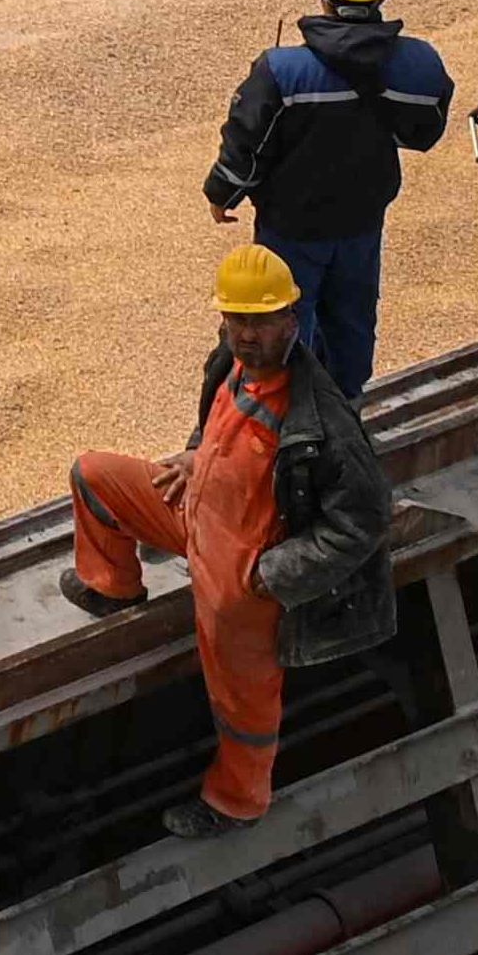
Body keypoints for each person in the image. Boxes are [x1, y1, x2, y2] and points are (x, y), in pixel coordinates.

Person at [60, 243, 395, 837]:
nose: (246, 333)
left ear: (290, 319)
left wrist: (273, 576)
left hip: (242, 575)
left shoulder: (322, 419)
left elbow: (363, 522)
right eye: (236, 318)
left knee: (242, 701)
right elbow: (214, 422)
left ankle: (239, 801)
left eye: (260, 320)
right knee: (94, 475)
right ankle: (112, 585)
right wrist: (196, 457)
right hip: (195, 517)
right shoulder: (230, 363)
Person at [203, 0, 453, 397]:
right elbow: (425, 132)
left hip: (291, 227)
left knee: (284, 321)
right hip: (362, 222)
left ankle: (284, 411)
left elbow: (246, 142)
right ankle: (346, 406)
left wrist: (222, 192)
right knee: (351, 321)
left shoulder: (282, 70)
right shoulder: (416, 65)